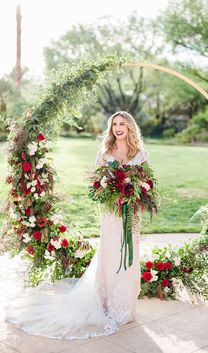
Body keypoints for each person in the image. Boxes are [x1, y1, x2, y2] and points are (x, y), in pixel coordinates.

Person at [4, 111, 149, 340]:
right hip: (111, 214)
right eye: (114, 124)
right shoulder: (104, 153)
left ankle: (125, 305)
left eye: (122, 124)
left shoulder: (140, 154)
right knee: (110, 253)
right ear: (111, 129)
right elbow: (96, 184)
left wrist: (135, 196)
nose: (118, 127)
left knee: (130, 253)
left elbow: (145, 182)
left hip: (130, 213)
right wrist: (112, 193)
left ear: (130, 127)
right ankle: (105, 303)